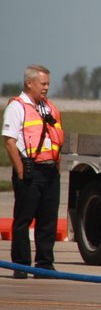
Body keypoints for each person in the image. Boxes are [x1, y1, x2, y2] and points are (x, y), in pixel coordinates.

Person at [4, 65, 64, 278]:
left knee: (48, 220)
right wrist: (21, 171)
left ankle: (44, 265)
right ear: (29, 83)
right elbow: (9, 142)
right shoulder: (17, 107)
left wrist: (57, 166)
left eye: (48, 84)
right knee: (24, 219)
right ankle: (21, 266)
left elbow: (56, 138)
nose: (46, 88)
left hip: (50, 171)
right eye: (43, 84)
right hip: (30, 170)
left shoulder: (49, 108)